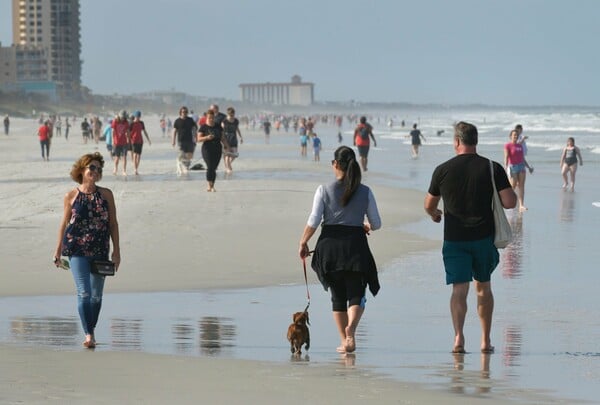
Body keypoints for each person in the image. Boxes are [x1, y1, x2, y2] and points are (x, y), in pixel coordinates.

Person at [424, 122, 516, 354]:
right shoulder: (491, 167)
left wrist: (435, 215)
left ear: (456, 141)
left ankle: (458, 338)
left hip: (454, 239)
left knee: (459, 290)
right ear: (475, 141)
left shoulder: (442, 169)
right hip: (483, 238)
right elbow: (510, 202)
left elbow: (429, 205)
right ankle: (485, 341)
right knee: (483, 288)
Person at [299, 145, 381, 354]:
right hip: (355, 245)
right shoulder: (365, 191)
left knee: (337, 296)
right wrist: (365, 225)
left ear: (335, 164)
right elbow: (377, 222)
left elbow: (314, 220)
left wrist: (303, 242)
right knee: (356, 293)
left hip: (330, 247)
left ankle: (345, 340)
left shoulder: (323, 190)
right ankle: (351, 330)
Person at [53, 152, 121, 348]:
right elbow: (64, 224)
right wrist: (57, 251)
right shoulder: (71, 196)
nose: (96, 171)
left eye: (99, 169)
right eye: (92, 167)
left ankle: (90, 329)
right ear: (82, 169)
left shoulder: (106, 194)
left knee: (96, 296)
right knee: (84, 293)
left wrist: (117, 251)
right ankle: (89, 335)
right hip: (76, 249)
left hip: (100, 250)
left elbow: (113, 224)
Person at [504, 129, 534, 212]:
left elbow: (523, 158)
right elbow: (506, 157)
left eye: (517, 135)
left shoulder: (520, 146)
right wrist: (505, 167)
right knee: (512, 185)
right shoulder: (507, 145)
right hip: (512, 167)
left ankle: (521, 205)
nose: (515, 136)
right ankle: (507, 201)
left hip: (521, 167)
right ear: (510, 136)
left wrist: (528, 167)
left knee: (521, 186)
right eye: (514, 135)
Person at [197, 110, 227, 191]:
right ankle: (210, 185)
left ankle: (212, 185)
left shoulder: (218, 126)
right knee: (210, 167)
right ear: (207, 117)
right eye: (209, 118)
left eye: (212, 118)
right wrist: (206, 137)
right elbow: (198, 139)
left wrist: (226, 146)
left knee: (214, 168)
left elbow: (223, 138)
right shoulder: (203, 127)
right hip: (207, 149)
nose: (211, 119)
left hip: (217, 149)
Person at [172, 106, 197, 175]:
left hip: (189, 140)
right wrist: (173, 141)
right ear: (180, 112)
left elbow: (194, 128)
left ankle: (186, 166)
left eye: (186, 112)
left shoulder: (190, 120)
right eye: (183, 112)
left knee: (189, 155)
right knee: (182, 154)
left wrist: (195, 137)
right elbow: (174, 131)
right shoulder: (177, 121)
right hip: (181, 141)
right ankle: (183, 166)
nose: (184, 113)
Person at [129, 111, 152, 175]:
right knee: (135, 155)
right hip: (133, 141)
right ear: (135, 117)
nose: (138, 118)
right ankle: (135, 169)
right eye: (137, 117)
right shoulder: (131, 124)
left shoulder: (141, 123)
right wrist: (128, 140)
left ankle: (136, 168)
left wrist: (148, 140)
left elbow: (144, 131)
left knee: (139, 155)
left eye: (139, 117)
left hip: (140, 141)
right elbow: (128, 133)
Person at [222, 107, 243, 173]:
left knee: (235, 154)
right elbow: (221, 130)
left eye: (233, 114)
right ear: (228, 114)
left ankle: (228, 165)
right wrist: (221, 139)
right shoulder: (224, 121)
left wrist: (240, 137)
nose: (232, 116)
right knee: (228, 154)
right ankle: (228, 169)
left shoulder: (236, 121)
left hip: (234, 138)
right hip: (226, 138)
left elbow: (237, 129)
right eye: (230, 115)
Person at [111, 111, 131, 176]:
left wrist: (128, 140)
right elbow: (113, 131)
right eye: (122, 117)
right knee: (117, 157)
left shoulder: (126, 122)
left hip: (124, 142)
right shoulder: (115, 121)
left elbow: (128, 132)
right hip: (117, 142)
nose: (123, 119)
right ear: (119, 116)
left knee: (124, 157)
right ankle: (115, 169)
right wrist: (112, 141)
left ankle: (124, 171)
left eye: (124, 117)